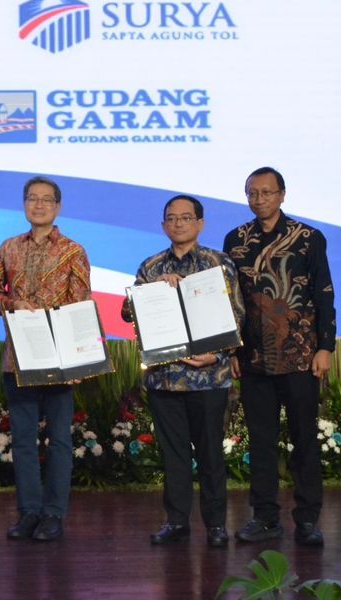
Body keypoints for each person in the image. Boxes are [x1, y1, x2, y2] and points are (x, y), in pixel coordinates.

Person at [121, 194, 244, 548]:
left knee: (210, 455)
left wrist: (217, 355)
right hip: (165, 377)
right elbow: (131, 315)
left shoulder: (218, 264)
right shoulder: (151, 267)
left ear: (200, 224)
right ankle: (176, 522)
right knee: (173, 457)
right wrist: (147, 295)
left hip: (209, 378)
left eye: (186, 218)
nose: (178, 224)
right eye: (171, 219)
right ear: (163, 225)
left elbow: (236, 316)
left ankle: (217, 525)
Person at [224, 167, 336, 548]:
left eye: (267, 192)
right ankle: (265, 517)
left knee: (304, 439)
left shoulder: (308, 238)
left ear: (282, 195)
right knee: (261, 441)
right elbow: (229, 301)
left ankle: (307, 519)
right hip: (253, 358)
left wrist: (326, 346)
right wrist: (232, 350)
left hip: (301, 356)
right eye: (252, 193)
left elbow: (324, 293)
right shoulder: (235, 239)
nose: (259, 199)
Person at [0, 176, 92, 542]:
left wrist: (81, 357)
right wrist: (12, 304)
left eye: (46, 200)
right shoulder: (7, 248)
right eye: (32, 199)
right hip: (17, 359)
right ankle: (29, 512)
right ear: (24, 205)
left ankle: (54, 514)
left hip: (60, 357)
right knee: (22, 441)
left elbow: (82, 303)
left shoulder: (73, 251)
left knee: (59, 441)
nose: (39, 205)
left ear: (58, 206)